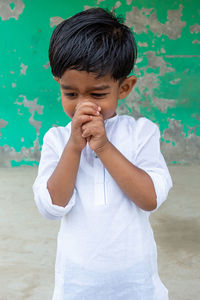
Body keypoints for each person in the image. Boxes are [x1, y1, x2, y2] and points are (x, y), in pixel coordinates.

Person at [32, 7, 173, 300]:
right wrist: (73, 147)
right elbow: (51, 206)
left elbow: (150, 198)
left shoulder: (141, 134)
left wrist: (105, 147)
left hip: (136, 284)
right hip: (77, 285)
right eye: (71, 94)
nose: (83, 104)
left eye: (97, 94)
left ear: (125, 87)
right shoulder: (57, 140)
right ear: (59, 85)